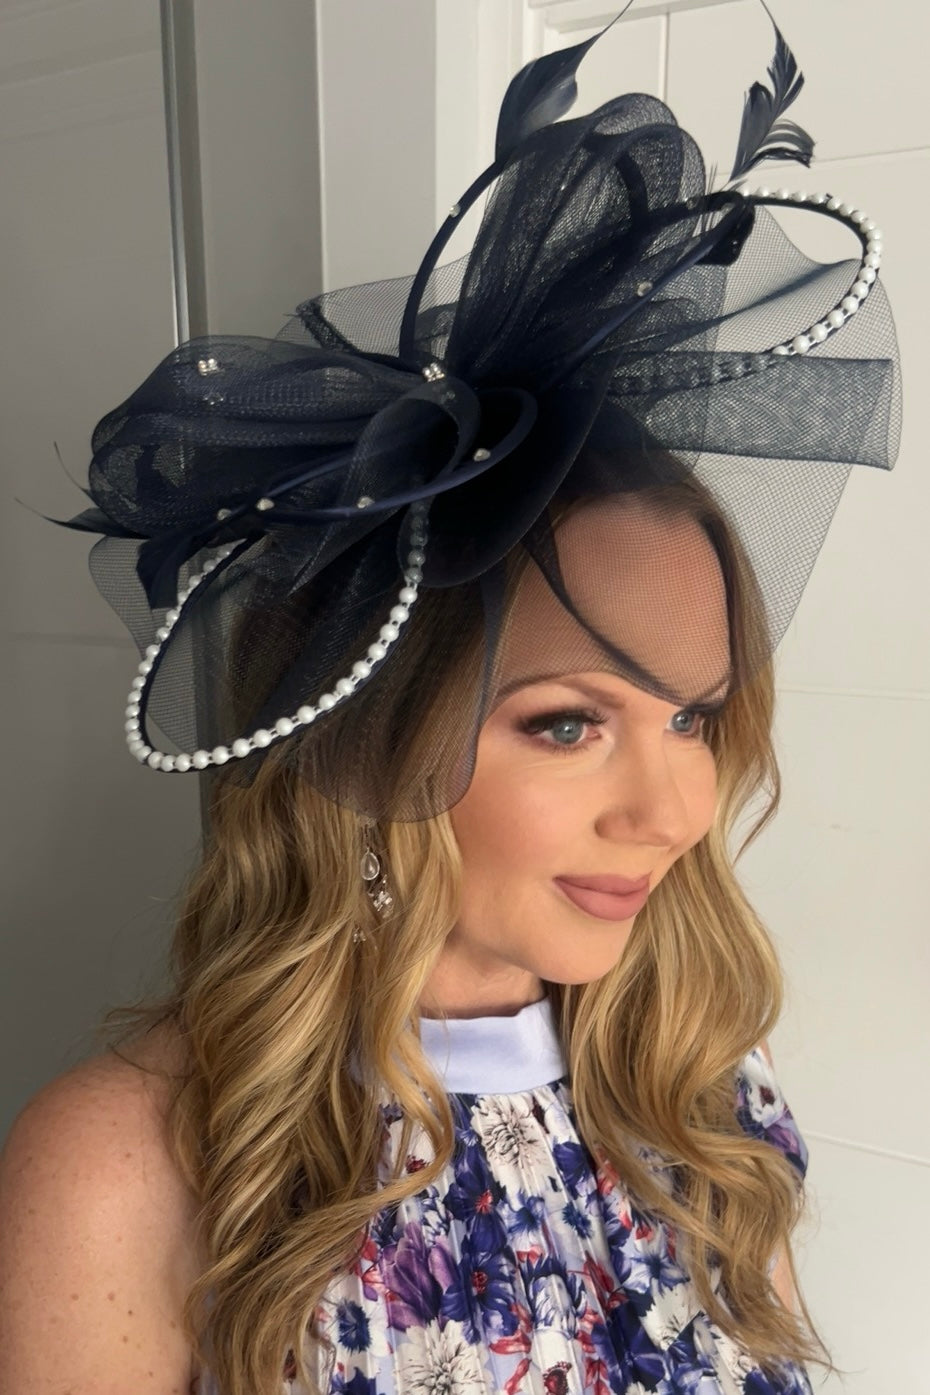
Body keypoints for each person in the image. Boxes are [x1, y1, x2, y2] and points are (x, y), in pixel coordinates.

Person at [0, 10, 898, 1395]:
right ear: (365, 735)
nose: (673, 812)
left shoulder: (699, 1082)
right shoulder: (130, 1163)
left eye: (694, 718)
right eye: (567, 722)